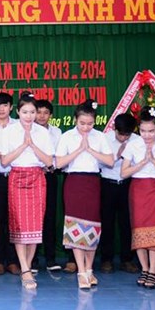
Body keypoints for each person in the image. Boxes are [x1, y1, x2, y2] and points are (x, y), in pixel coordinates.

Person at [55, 100, 114, 290]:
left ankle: (89, 269)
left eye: (90, 123)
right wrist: (80, 149)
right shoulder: (67, 136)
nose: (86, 127)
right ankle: (81, 271)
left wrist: (90, 149)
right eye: (82, 123)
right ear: (75, 120)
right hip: (74, 182)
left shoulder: (100, 137)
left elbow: (110, 161)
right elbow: (59, 163)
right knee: (76, 225)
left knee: (92, 226)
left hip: (93, 182)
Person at [1, 94, 55, 290]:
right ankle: (24, 268)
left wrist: (32, 145)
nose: (29, 116)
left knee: (35, 224)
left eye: (32, 112)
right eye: (25, 112)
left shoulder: (43, 133)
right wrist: (23, 145)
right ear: (17, 112)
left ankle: (28, 265)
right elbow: (4, 161)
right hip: (17, 177)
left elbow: (49, 162)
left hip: (37, 177)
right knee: (19, 224)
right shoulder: (9, 131)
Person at [120, 110, 155, 289]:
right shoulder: (133, 145)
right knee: (138, 229)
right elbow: (123, 173)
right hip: (138, 189)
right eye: (143, 131)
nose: (147, 135)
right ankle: (144, 269)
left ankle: (153, 270)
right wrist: (143, 162)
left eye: (151, 131)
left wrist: (154, 161)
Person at [99, 113, 139, 274]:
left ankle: (127, 259)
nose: (123, 138)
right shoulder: (105, 139)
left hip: (128, 184)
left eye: (126, 135)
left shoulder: (137, 140)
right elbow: (100, 163)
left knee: (127, 223)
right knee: (107, 223)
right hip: (107, 184)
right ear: (114, 128)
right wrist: (118, 156)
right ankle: (106, 259)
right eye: (120, 134)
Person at [0, 92, 21, 276]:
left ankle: (14, 261)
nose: (1, 109)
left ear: (11, 107)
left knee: (15, 219)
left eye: (5, 105)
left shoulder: (19, 126)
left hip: (16, 176)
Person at [35, 98, 63, 271]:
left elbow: (59, 155)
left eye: (46, 113)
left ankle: (50, 258)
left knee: (49, 217)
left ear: (51, 115)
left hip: (50, 176)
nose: (42, 116)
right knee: (32, 217)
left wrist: (50, 166)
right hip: (32, 176)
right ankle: (33, 259)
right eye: (39, 112)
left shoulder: (57, 132)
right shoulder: (28, 130)